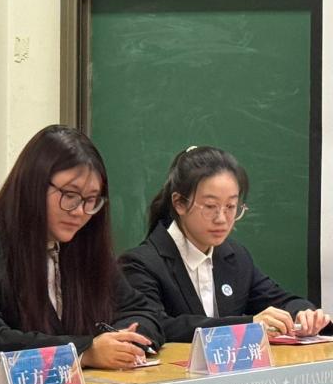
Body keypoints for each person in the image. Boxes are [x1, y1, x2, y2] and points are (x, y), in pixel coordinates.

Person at [0, 125, 163, 370]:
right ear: (33, 184)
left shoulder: (82, 245)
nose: (79, 211)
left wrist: (122, 342)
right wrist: (84, 352)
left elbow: (143, 311)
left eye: (91, 200)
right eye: (70, 195)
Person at [119, 145, 330, 342]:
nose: (221, 219)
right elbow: (156, 326)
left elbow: (281, 301)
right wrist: (247, 326)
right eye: (210, 206)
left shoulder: (235, 257)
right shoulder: (140, 263)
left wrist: (303, 313)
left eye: (231, 206)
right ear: (179, 203)